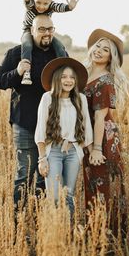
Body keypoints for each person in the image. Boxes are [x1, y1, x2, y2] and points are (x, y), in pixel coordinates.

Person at [0, 15, 68, 208]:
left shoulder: (60, 54)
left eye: (50, 28)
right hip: (24, 122)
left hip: (53, 125)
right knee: (23, 176)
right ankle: (17, 223)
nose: (47, 33)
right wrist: (17, 72)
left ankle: (37, 221)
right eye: (42, 29)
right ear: (32, 30)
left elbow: (71, 82)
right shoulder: (16, 53)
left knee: (45, 177)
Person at [83, 29, 129, 234]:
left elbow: (100, 117)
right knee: (91, 180)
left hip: (102, 137)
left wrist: (96, 148)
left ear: (111, 57)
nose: (99, 51)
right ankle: (95, 227)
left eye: (106, 50)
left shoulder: (105, 81)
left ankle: (105, 230)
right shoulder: (83, 72)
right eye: (98, 46)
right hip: (88, 134)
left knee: (101, 181)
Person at [35, 57, 93, 215]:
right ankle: (55, 229)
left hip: (73, 151)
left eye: (72, 77)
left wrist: (93, 151)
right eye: (64, 77)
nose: (69, 80)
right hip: (53, 150)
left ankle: (69, 230)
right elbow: (40, 130)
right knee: (54, 196)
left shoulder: (80, 99)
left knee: (68, 195)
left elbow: (87, 127)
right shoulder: (47, 98)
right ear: (57, 79)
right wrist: (42, 159)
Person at [19, 0, 79, 85]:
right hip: (28, 31)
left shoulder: (51, 6)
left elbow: (59, 7)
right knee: (27, 45)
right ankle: (26, 72)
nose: (41, 6)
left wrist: (69, 7)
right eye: (38, 2)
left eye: (45, 3)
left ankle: (63, 72)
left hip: (45, 32)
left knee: (59, 46)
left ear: (50, 2)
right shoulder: (32, 5)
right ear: (34, 0)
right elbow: (28, 4)